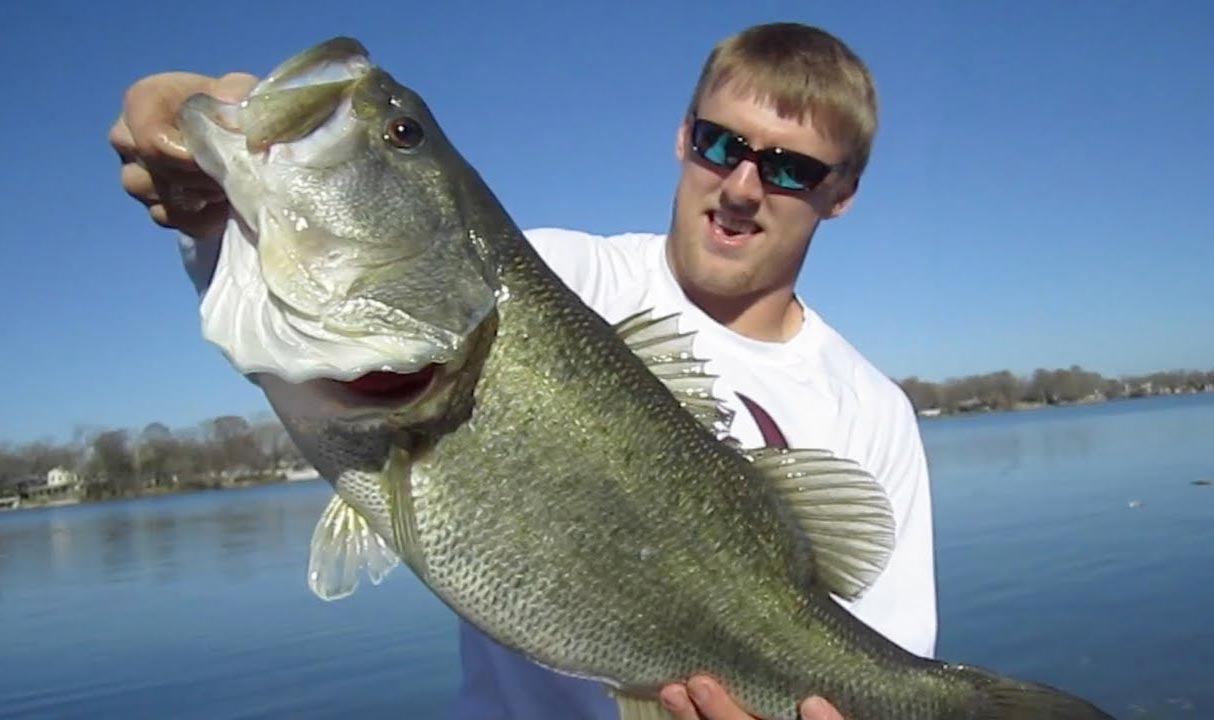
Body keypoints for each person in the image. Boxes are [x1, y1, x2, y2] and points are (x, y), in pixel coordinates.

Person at [111, 22, 936, 720]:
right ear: (685, 137)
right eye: (722, 145)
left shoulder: (873, 412)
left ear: (842, 194)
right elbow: (251, 241)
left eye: (791, 167)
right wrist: (189, 152)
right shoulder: (550, 275)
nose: (744, 185)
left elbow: (886, 661)